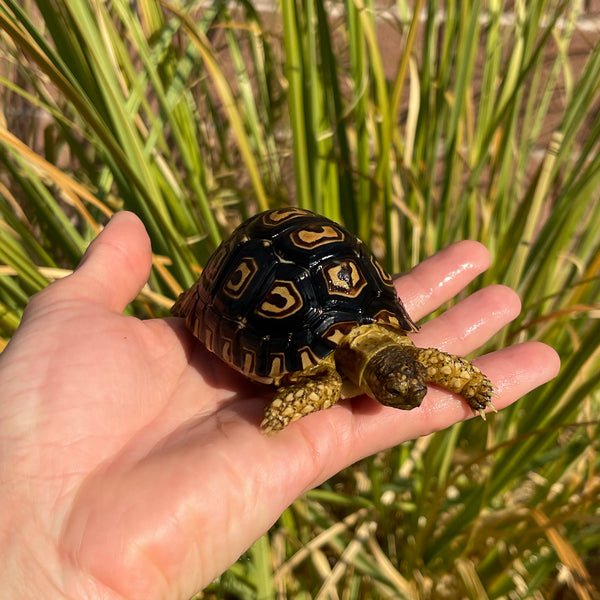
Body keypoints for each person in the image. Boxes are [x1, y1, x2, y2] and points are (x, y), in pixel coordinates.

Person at [0, 211, 560, 599]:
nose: (406, 396)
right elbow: (306, 393)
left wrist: (468, 381)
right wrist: (284, 409)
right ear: (371, 377)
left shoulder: (403, 353)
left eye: (404, 383)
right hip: (252, 279)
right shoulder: (322, 380)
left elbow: (431, 364)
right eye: (395, 390)